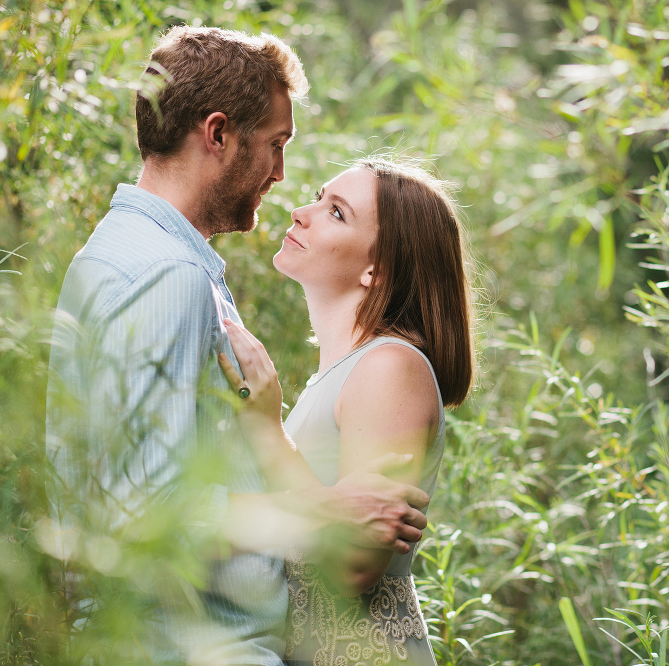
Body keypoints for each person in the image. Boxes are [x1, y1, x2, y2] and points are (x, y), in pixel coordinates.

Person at [46, 27, 430, 665]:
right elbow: (144, 511)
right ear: (217, 134)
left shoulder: (122, 253)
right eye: (276, 144)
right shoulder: (168, 275)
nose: (281, 174)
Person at [217, 157, 474, 665]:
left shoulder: (391, 367)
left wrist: (270, 433)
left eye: (336, 212)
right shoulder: (348, 370)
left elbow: (354, 564)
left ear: (378, 269)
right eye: (318, 196)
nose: (299, 211)